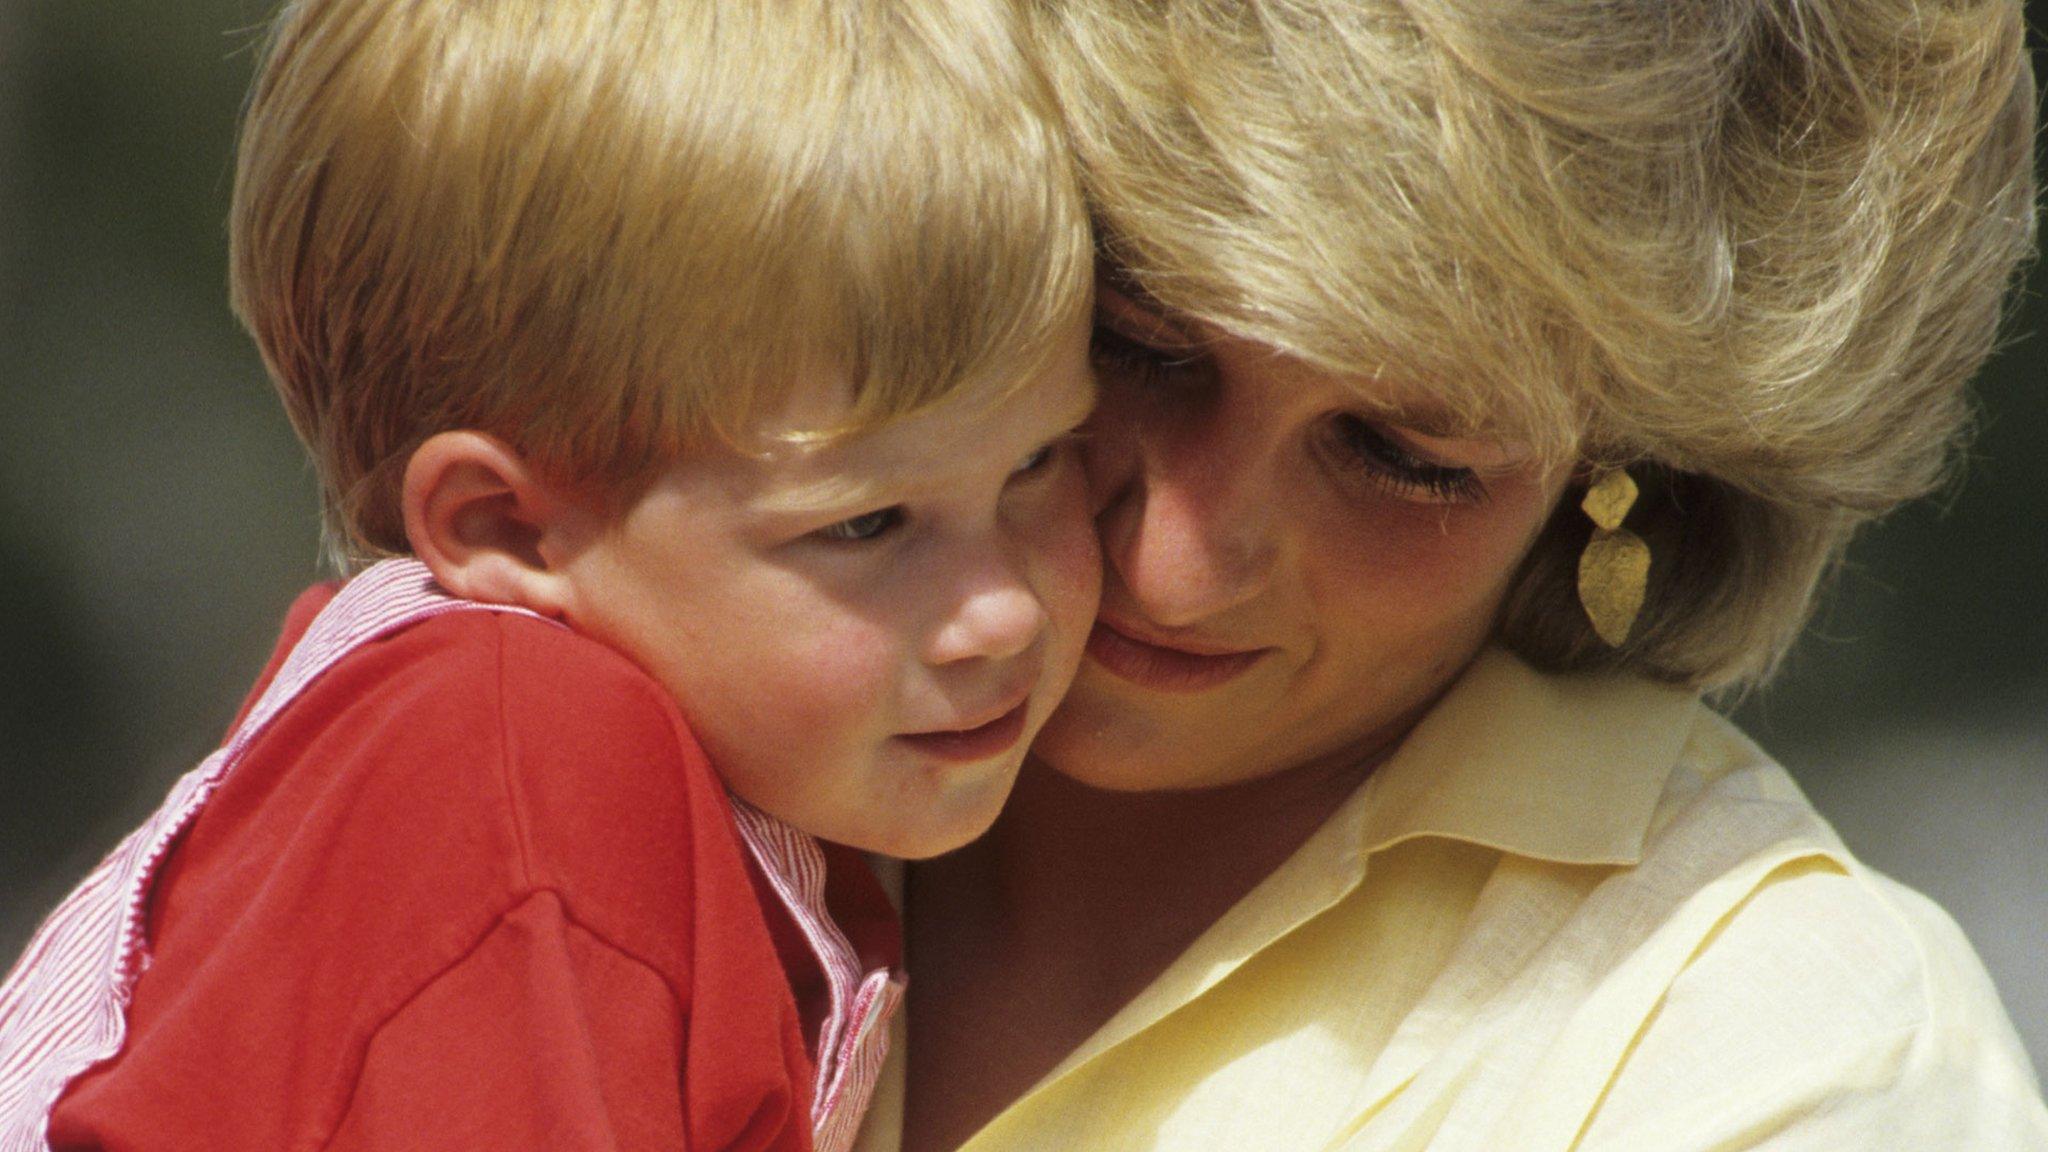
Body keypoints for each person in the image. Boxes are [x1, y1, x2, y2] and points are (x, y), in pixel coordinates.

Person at [869, 0, 2048, 1149]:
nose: (1173, 566)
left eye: (1402, 458)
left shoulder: (1793, 1061)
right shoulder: (697, 626)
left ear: (1622, 474)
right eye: (1131, 340)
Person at [0, 0, 1097, 1149]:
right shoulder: (516, 779)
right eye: (868, 525)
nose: (1002, 610)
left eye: (1039, 460)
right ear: (509, 533)